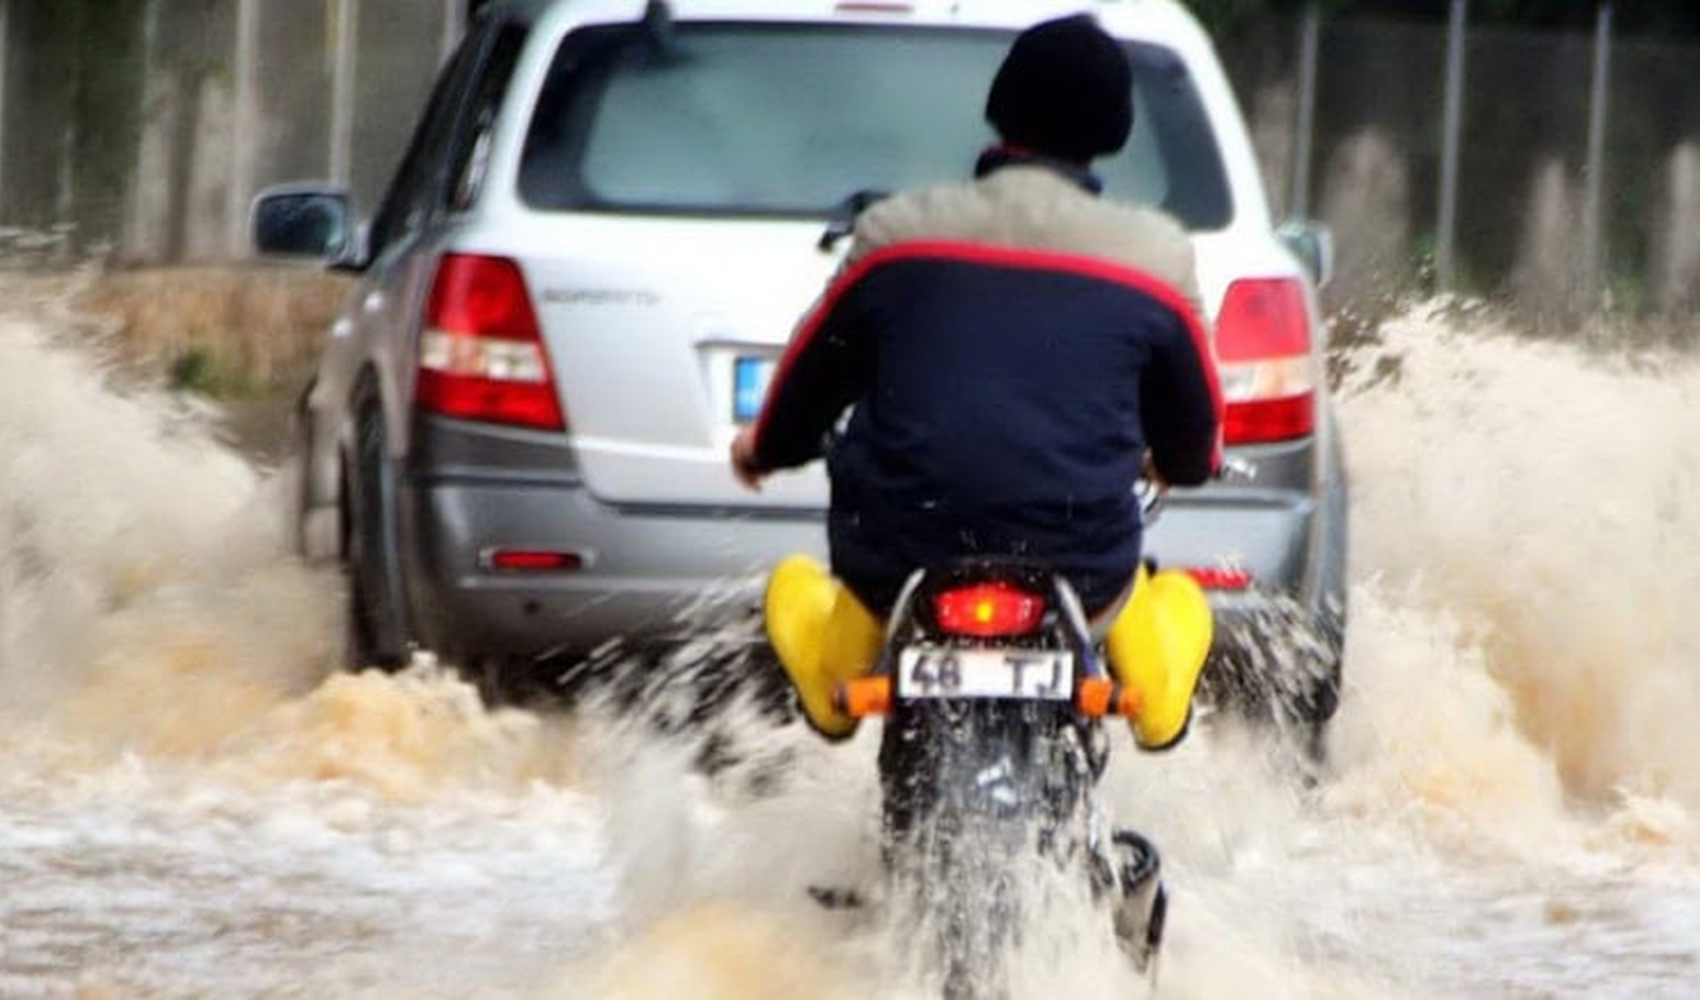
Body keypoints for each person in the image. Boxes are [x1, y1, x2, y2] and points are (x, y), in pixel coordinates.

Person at [729, 14, 1223, 750]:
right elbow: (1195, 437)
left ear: (1000, 109)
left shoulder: (894, 234)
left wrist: (762, 449)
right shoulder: (1157, 258)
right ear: (1115, 130)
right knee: (1153, 683)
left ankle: (832, 692)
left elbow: (810, 380)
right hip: (1078, 558)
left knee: (836, 684)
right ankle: (1159, 706)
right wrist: (1176, 463)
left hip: (898, 548)